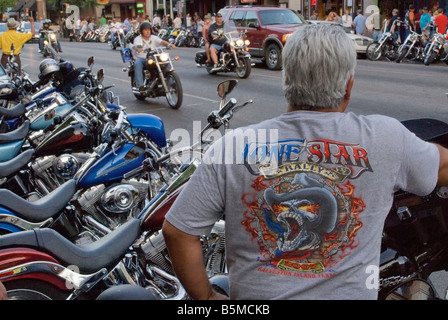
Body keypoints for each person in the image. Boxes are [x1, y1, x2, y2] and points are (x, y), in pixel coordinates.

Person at [162, 23, 448, 300]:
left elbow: (177, 231)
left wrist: (206, 297)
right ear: (348, 88)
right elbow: (442, 166)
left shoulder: (233, 146)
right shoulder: (387, 138)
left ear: (286, 81)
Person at [131, 22, 174, 90]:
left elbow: (161, 42)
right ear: (141, 31)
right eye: (145, 30)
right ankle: (140, 85)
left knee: (165, 62)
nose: (147, 31)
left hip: (153, 57)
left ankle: (171, 82)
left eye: (149, 29)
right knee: (137, 63)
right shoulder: (138, 39)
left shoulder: (153, 37)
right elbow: (136, 46)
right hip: (142, 58)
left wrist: (169, 45)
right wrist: (138, 48)